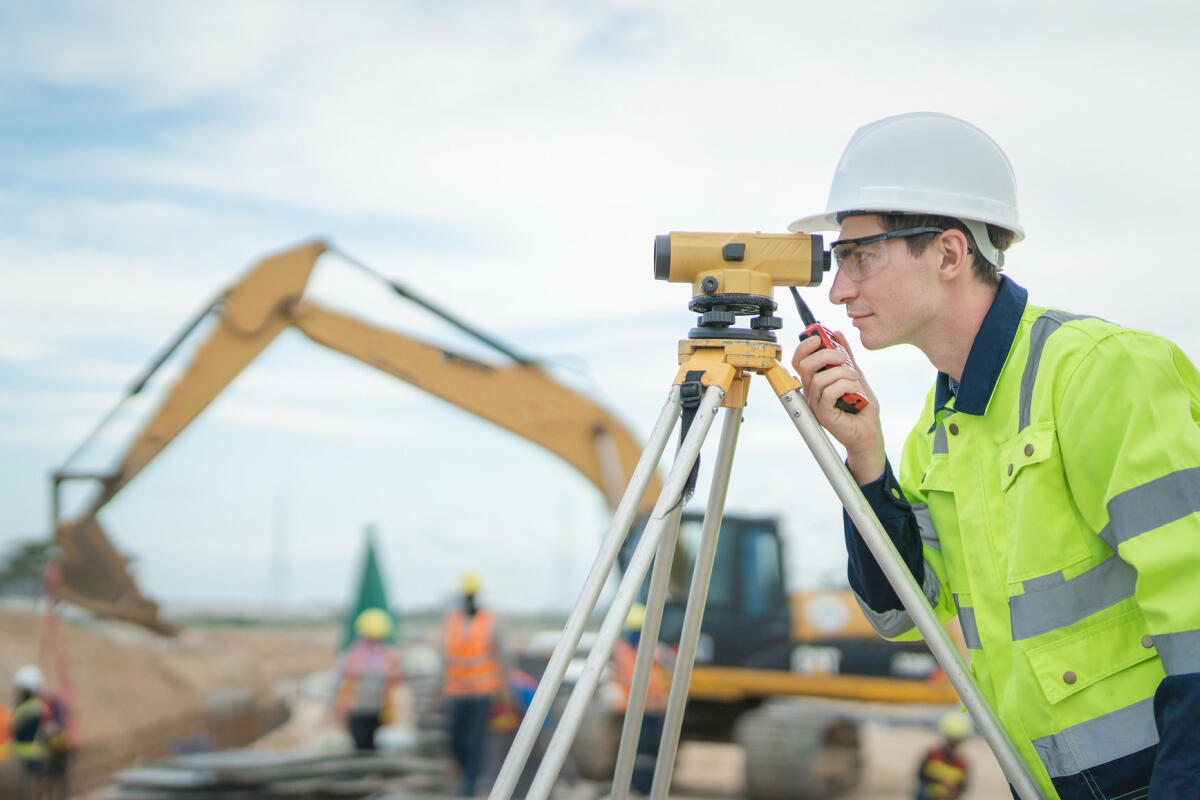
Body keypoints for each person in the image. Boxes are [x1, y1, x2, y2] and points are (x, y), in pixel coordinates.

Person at [790, 111, 1200, 799]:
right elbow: (900, 610)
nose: (839, 290)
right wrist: (865, 457)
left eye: (860, 255)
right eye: (838, 261)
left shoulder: (1101, 372)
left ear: (949, 254)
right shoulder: (939, 427)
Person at [442, 571, 506, 797]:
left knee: (475, 741)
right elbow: (446, 656)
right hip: (457, 691)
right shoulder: (452, 620)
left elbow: (500, 655)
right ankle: (464, 777)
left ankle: (470, 786)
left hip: (482, 691)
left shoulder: (490, 620)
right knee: (457, 740)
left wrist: (503, 690)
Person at [610, 603, 672, 796]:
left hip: (652, 708)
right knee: (641, 749)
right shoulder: (623, 650)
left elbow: (666, 675)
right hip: (635, 708)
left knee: (649, 750)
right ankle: (641, 787)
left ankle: (646, 786)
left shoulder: (654, 649)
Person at [333, 607, 403, 751]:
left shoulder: (386, 654)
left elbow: (397, 677)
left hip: (378, 708)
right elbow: (345, 677)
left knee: (371, 744)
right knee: (362, 744)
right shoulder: (355, 654)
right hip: (358, 708)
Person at [10, 665, 47, 800]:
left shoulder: (20, 708)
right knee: (35, 785)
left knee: (27, 786)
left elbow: (14, 730)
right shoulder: (38, 706)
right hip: (35, 753)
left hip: (21, 754)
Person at [916, 711, 972, 800]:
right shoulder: (932, 754)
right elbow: (920, 777)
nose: (952, 745)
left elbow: (962, 788)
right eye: (951, 740)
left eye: (956, 741)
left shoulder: (962, 763)